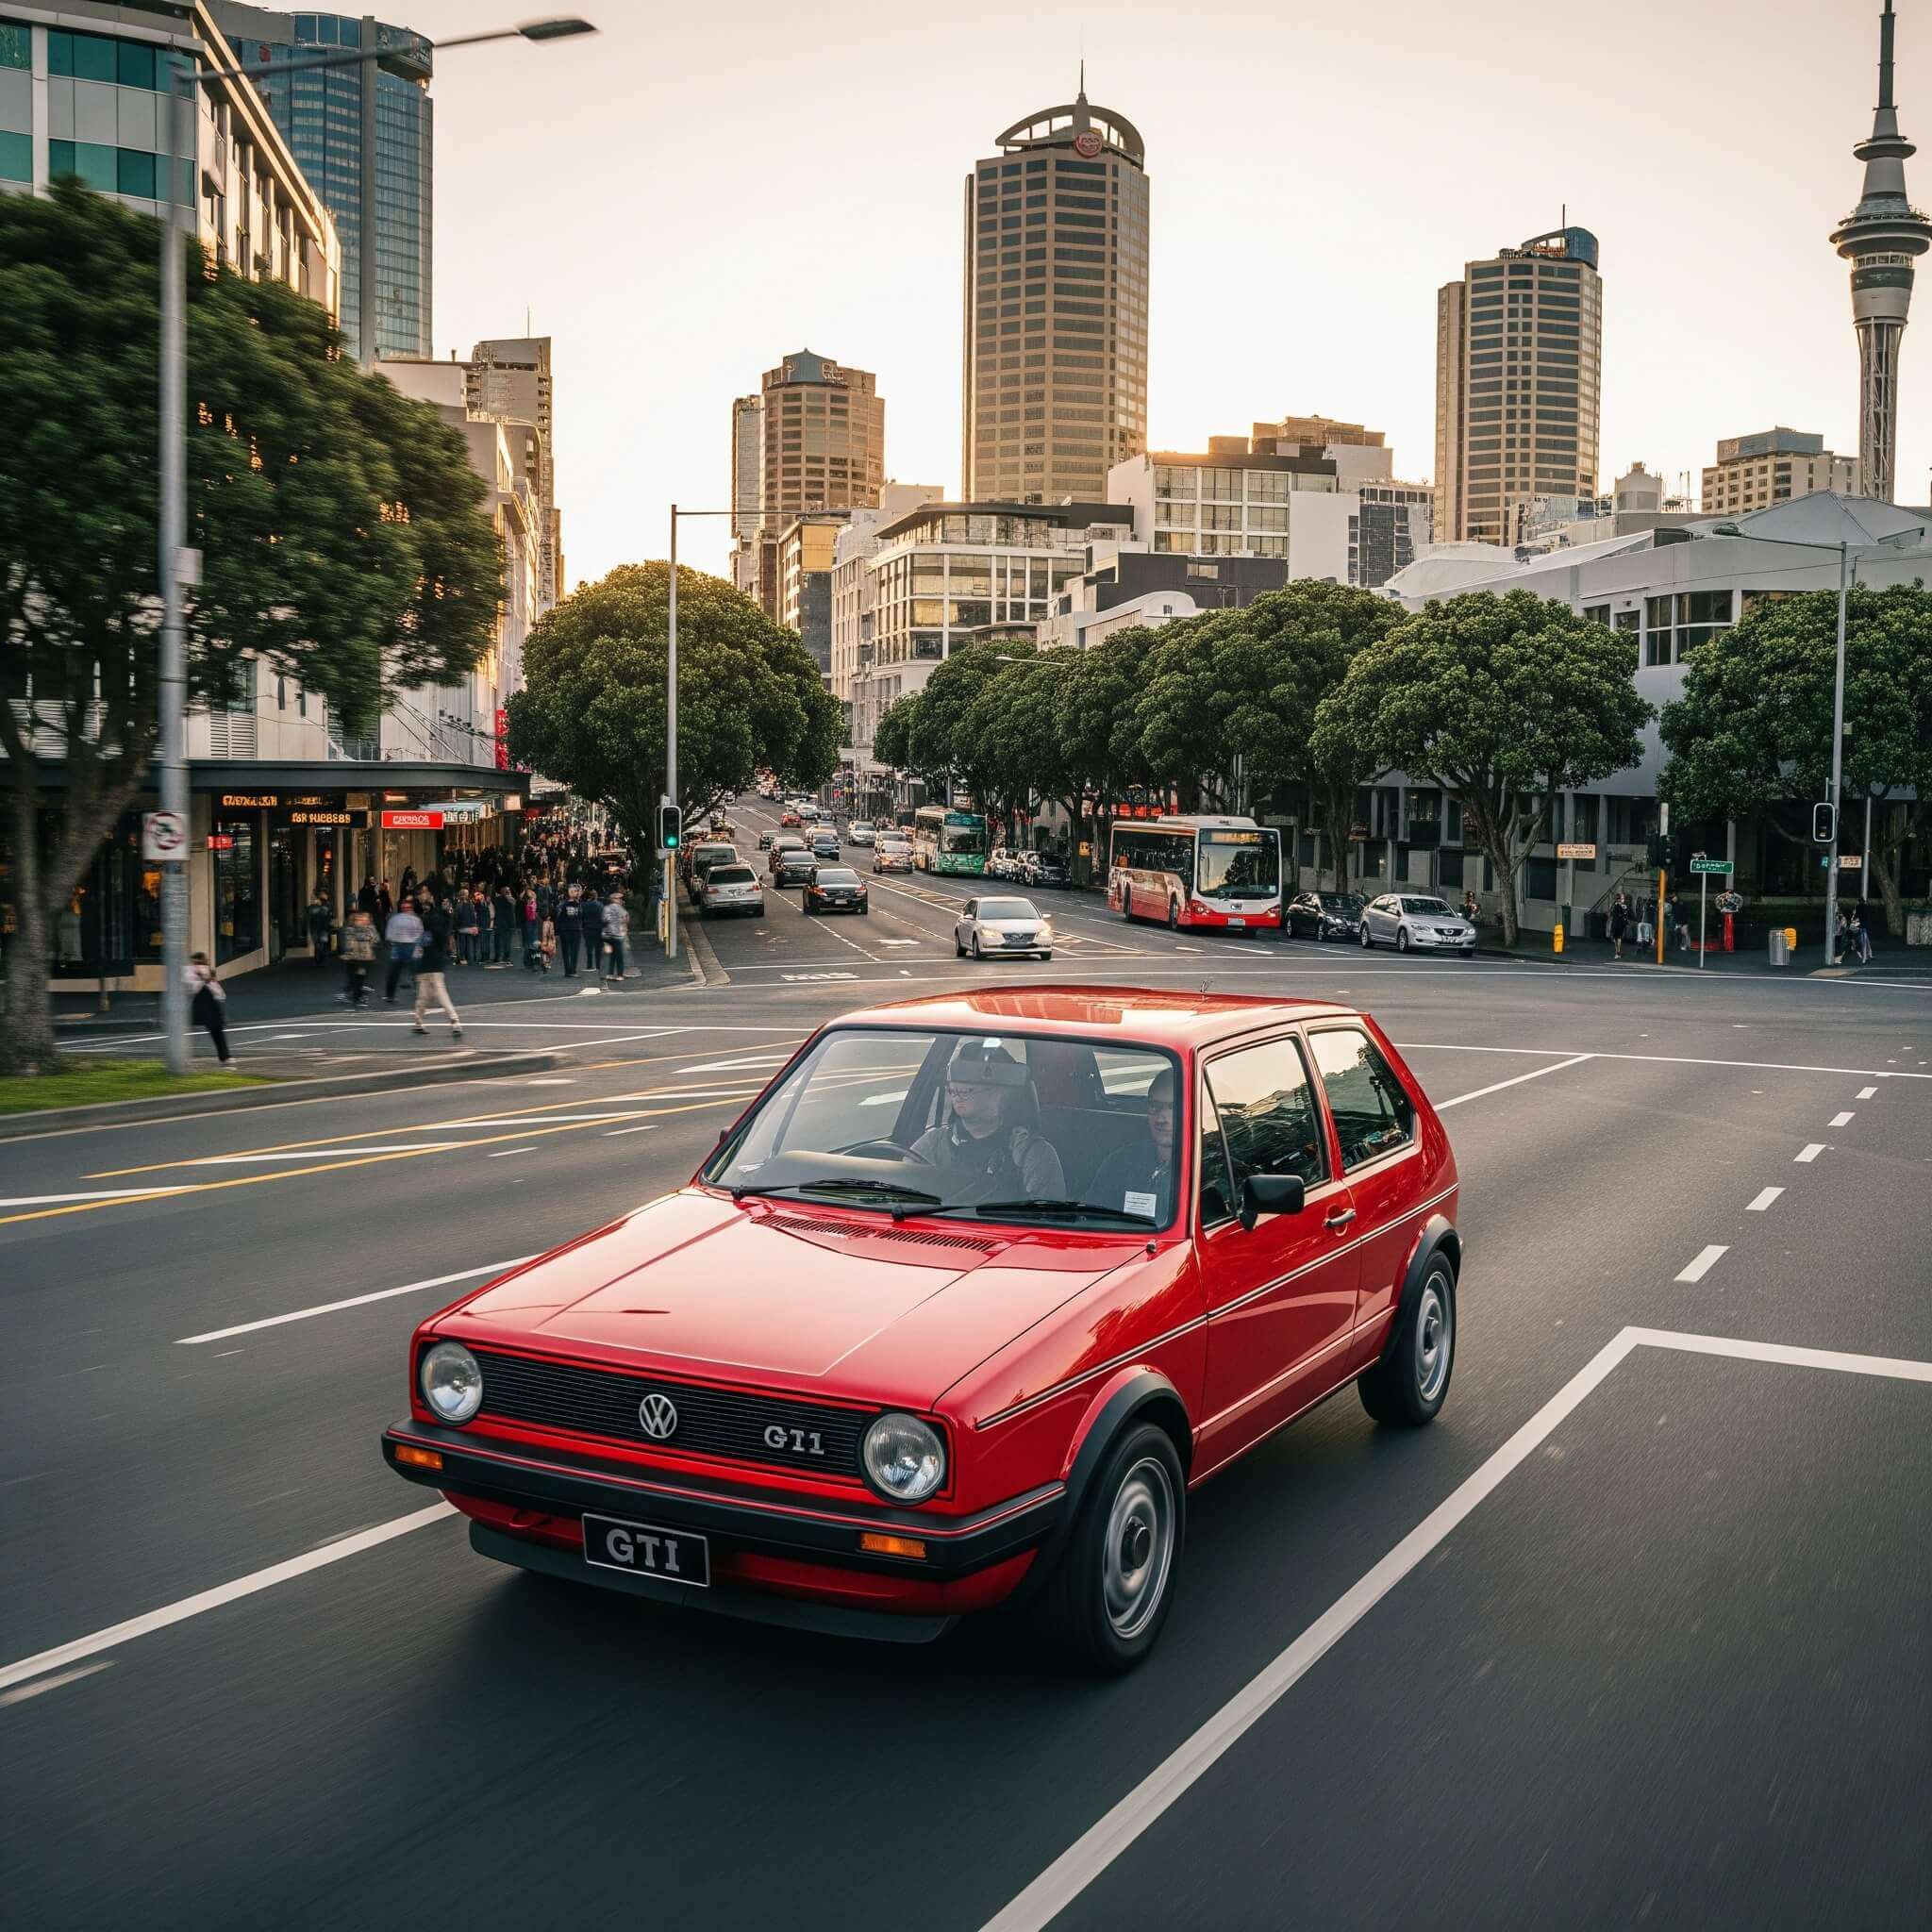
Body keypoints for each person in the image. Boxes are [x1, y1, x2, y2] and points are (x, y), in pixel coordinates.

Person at [908, 1041, 1064, 1202]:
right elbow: (902, 1195)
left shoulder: (1032, 1155)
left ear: (1002, 1093)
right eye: (954, 1087)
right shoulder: (932, 1145)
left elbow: (1044, 1219)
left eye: (968, 1088)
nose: (957, 1093)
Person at [1087, 1067, 1177, 1223]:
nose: (1162, 1119)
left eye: (1173, 1107)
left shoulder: (1207, 1170)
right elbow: (1090, 1218)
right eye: (1155, 1107)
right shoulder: (1121, 1163)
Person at [410, 891, 462, 1041]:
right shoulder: (442, 922)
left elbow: (423, 941)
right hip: (436, 963)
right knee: (438, 993)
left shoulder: (428, 921)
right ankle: (454, 1021)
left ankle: (419, 1023)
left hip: (425, 963)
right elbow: (444, 936)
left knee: (423, 996)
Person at [186, 952, 231, 1064]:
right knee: (216, 1031)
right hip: (203, 1005)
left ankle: (225, 1056)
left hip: (209, 1005)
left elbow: (218, 991)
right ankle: (225, 1057)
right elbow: (192, 988)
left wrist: (207, 979)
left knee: (217, 1031)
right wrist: (203, 978)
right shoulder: (191, 971)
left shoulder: (206, 972)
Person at [383, 899, 423, 1003]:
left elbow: (420, 933)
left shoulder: (415, 919)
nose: (406, 909)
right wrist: (393, 942)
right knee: (394, 972)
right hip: (399, 946)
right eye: (404, 907)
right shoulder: (396, 919)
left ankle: (419, 992)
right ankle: (390, 995)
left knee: (415, 972)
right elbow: (390, 932)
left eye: (408, 907)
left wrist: (417, 946)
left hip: (411, 945)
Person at [338, 908, 376, 1006]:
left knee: (358, 978)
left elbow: (375, 940)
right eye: (359, 919)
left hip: (363, 959)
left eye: (364, 919)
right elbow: (348, 944)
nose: (362, 921)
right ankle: (354, 996)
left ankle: (355, 996)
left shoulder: (368, 929)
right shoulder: (349, 930)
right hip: (354, 958)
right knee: (355, 978)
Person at [602, 889, 630, 984]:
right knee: (619, 956)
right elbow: (626, 920)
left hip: (607, 935)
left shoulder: (606, 908)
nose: (621, 901)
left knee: (612, 955)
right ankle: (620, 974)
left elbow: (604, 920)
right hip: (618, 935)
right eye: (620, 899)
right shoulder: (621, 909)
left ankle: (609, 973)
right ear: (616, 899)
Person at [557, 887, 584, 978]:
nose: (576, 893)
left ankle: (568, 971)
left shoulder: (563, 904)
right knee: (573, 951)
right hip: (575, 929)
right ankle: (572, 970)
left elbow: (558, 916)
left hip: (566, 930)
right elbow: (582, 916)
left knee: (566, 951)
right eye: (574, 891)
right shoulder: (578, 904)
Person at [491, 883, 516, 965]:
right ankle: (505, 958)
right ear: (503, 892)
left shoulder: (498, 899)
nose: (509, 892)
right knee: (505, 942)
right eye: (507, 891)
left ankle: (499, 958)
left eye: (509, 890)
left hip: (503, 923)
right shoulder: (509, 899)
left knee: (503, 942)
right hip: (505, 923)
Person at [454, 889, 481, 967]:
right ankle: (462, 958)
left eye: (467, 894)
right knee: (462, 943)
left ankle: (468, 958)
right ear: (462, 895)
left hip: (469, 926)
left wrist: (474, 925)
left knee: (468, 943)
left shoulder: (470, 903)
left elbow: (473, 915)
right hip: (461, 926)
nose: (466, 895)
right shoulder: (458, 904)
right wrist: (456, 926)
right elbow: (456, 916)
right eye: (465, 894)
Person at [1608, 891, 1630, 960]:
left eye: (1623, 899)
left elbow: (1625, 914)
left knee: (1619, 937)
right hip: (1615, 922)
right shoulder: (1615, 905)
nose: (1622, 900)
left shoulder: (1623, 906)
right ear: (1618, 899)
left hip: (1620, 923)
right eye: (1621, 899)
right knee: (1615, 938)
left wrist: (1624, 911)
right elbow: (1612, 913)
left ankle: (1618, 952)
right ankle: (1617, 952)